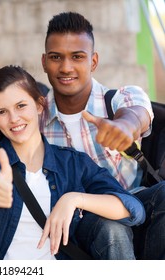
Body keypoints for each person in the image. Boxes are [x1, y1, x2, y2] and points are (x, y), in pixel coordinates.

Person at [0, 65, 145, 260]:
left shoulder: (72, 163)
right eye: (1, 112)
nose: (14, 119)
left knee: (114, 228)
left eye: (21, 106)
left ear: (40, 105)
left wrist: (74, 199)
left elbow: (134, 210)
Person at [40, 11, 165, 259]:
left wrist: (124, 127)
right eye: (56, 57)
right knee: (111, 228)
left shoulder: (118, 99)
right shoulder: (36, 119)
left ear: (93, 61)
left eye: (77, 57)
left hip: (135, 202)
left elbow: (136, 113)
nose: (66, 67)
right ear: (44, 62)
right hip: (82, 222)